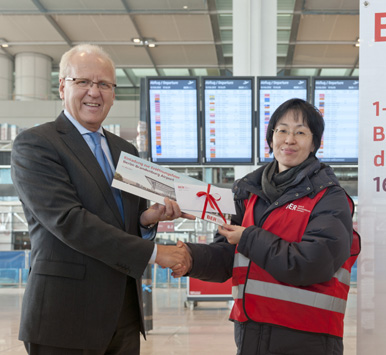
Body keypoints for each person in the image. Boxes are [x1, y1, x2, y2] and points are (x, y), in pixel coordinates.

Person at [11, 44, 194, 354]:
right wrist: (155, 252)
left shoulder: (126, 151)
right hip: (64, 317)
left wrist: (147, 220)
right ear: (62, 87)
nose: (94, 92)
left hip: (122, 314)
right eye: (83, 82)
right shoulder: (36, 144)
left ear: (113, 93)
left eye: (104, 84)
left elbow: (124, 220)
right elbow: (70, 222)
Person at [183, 98, 361, 355]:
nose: (289, 139)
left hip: (308, 339)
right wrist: (187, 258)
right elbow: (226, 259)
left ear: (314, 144)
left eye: (300, 132)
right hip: (251, 332)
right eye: (282, 130)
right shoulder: (247, 193)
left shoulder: (330, 198)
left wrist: (249, 237)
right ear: (271, 137)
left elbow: (314, 263)